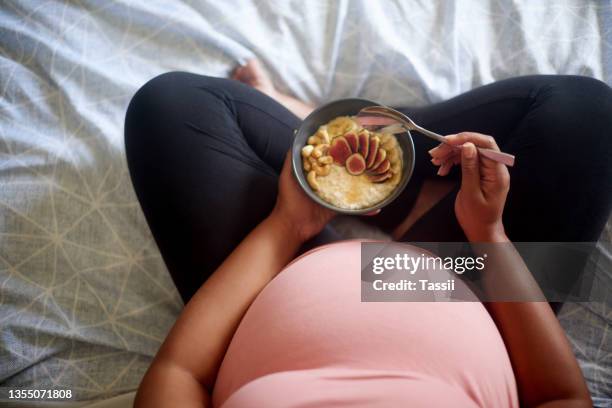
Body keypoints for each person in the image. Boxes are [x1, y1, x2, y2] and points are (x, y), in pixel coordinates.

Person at [125, 59, 612, 407]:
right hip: (468, 273)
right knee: (587, 111)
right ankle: (385, 180)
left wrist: (287, 223)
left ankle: (362, 167)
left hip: (272, 267)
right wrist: (487, 233)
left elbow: (179, 374)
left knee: (173, 105)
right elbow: (559, 396)